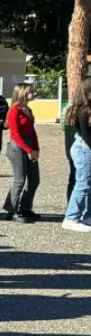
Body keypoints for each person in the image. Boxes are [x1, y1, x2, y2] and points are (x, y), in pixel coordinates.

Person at [3, 82, 41, 223]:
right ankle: (11, 210)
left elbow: (32, 131)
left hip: (29, 146)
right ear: (23, 93)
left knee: (34, 179)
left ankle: (25, 207)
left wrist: (35, 148)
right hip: (17, 147)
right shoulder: (15, 110)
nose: (34, 93)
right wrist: (28, 150)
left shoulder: (28, 110)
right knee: (20, 179)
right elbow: (15, 134)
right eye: (31, 91)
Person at [62, 77, 91, 232]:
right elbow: (86, 135)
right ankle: (71, 218)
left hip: (86, 147)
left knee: (89, 184)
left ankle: (87, 216)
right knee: (83, 183)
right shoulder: (83, 110)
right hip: (84, 148)